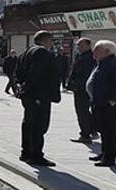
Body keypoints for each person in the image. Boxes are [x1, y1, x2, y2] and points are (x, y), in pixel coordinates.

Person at [15, 31, 62, 166]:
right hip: (39, 95)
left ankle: (26, 152)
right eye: (51, 41)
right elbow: (35, 72)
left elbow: (16, 73)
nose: (52, 44)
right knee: (39, 126)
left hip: (29, 95)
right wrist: (29, 88)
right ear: (45, 41)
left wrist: (21, 89)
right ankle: (36, 155)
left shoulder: (25, 53)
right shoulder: (42, 53)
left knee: (28, 123)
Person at [87, 40, 116, 167]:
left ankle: (109, 158)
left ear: (107, 52)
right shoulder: (101, 63)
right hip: (99, 103)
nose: (94, 52)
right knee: (103, 130)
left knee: (110, 131)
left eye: (97, 49)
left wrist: (112, 101)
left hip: (108, 105)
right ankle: (104, 153)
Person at [66, 38, 97, 144]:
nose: (78, 47)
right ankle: (92, 130)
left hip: (82, 89)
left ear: (88, 45)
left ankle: (85, 134)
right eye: (78, 45)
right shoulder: (81, 55)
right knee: (84, 111)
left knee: (82, 111)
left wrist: (76, 85)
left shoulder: (90, 57)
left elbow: (85, 75)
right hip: (79, 88)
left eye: (81, 45)